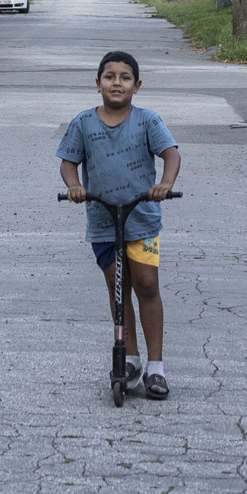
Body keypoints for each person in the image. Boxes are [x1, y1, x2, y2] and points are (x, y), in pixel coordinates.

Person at [56, 49, 181, 399]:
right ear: (97, 84)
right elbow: (68, 162)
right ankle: (130, 358)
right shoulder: (83, 123)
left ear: (137, 86)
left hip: (141, 217)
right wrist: (74, 187)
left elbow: (171, 154)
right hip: (103, 219)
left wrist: (165, 185)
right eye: (109, 77)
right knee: (117, 286)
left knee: (146, 284)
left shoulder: (147, 120)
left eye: (125, 78)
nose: (116, 83)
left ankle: (155, 367)